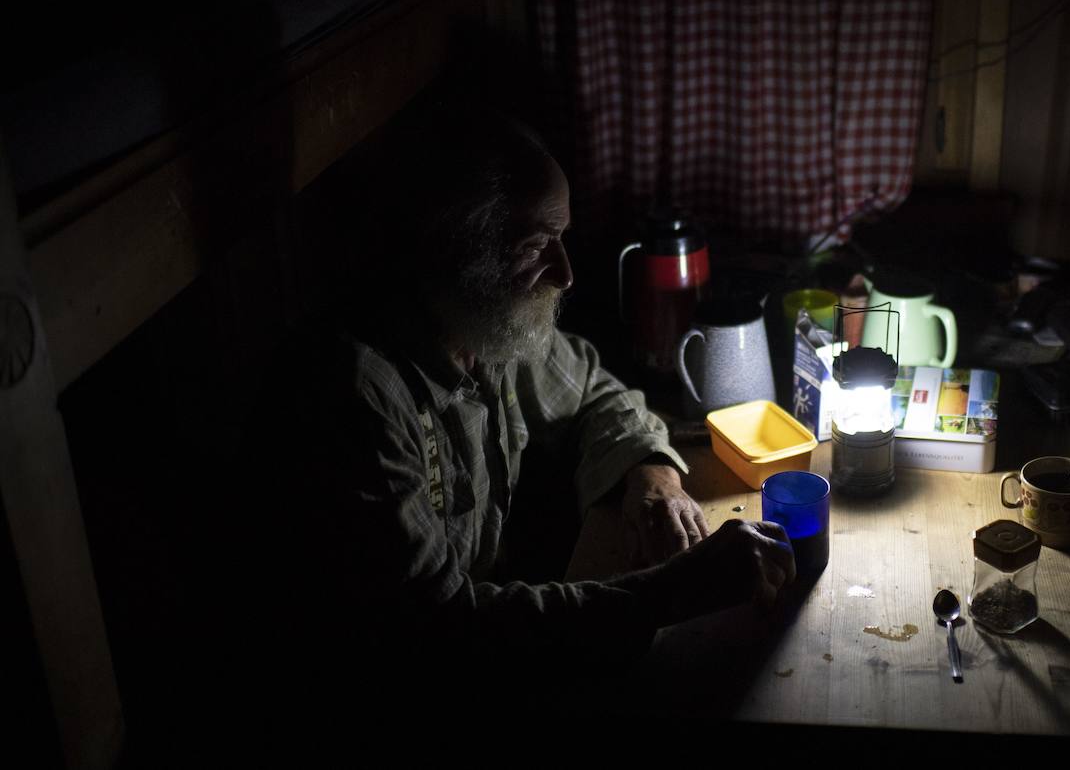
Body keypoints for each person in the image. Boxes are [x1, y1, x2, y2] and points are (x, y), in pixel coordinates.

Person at [235, 90, 796, 753]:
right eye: (538, 244)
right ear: (457, 249)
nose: (563, 272)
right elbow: (440, 633)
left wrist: (651, 475)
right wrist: (669, 593)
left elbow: (597, 391)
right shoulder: (354, 396)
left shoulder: (480, 329)